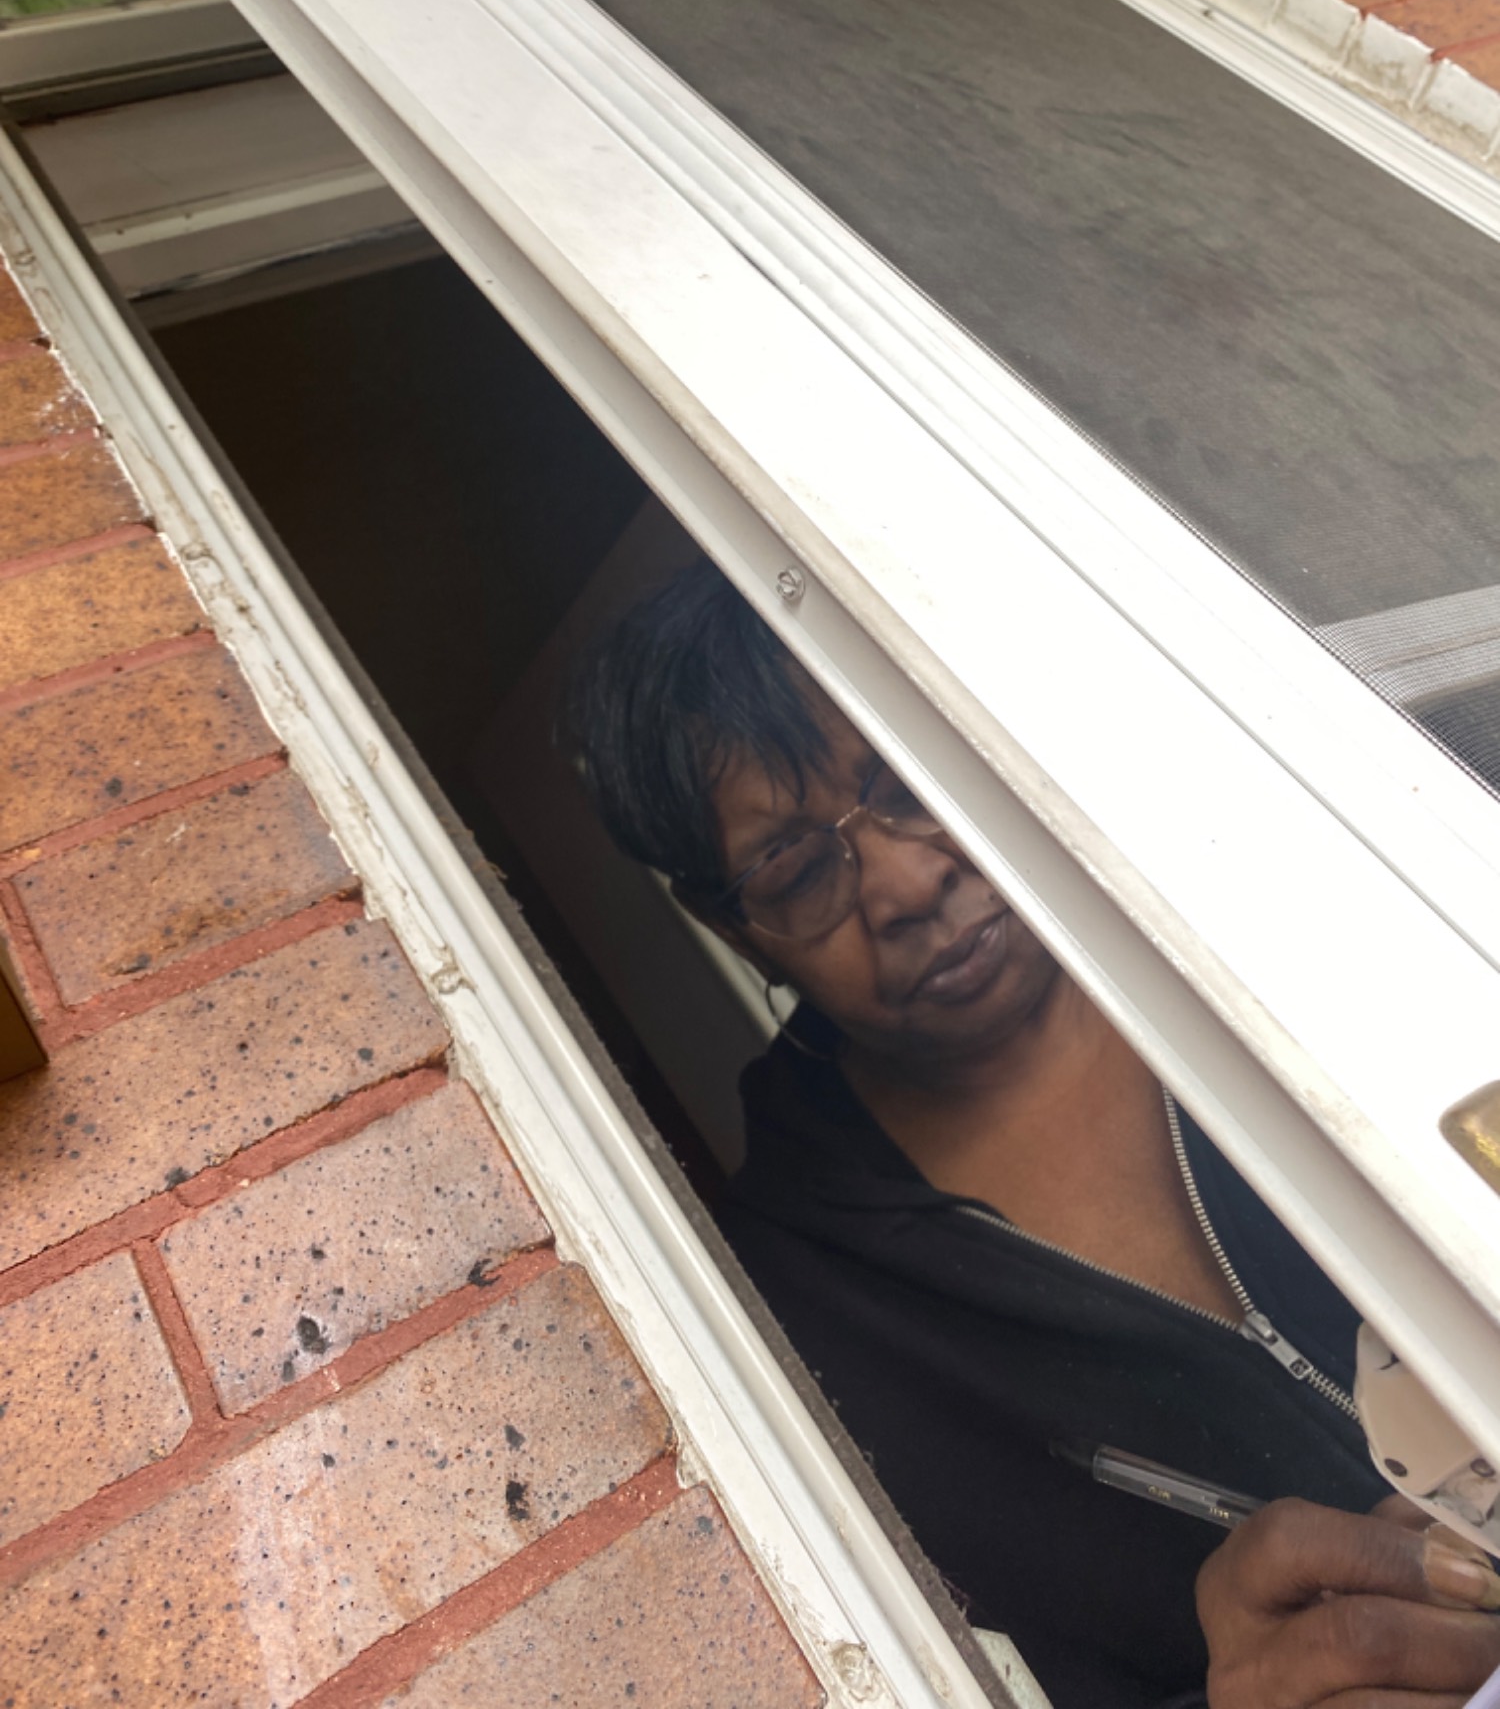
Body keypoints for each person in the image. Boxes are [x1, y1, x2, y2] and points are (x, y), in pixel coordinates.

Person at [566, 558, 1500, 1708]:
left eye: (902, 775)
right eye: (798, 869)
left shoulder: (1251, 886)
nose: (905, 882)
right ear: (733, 927)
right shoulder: (797, 1318)